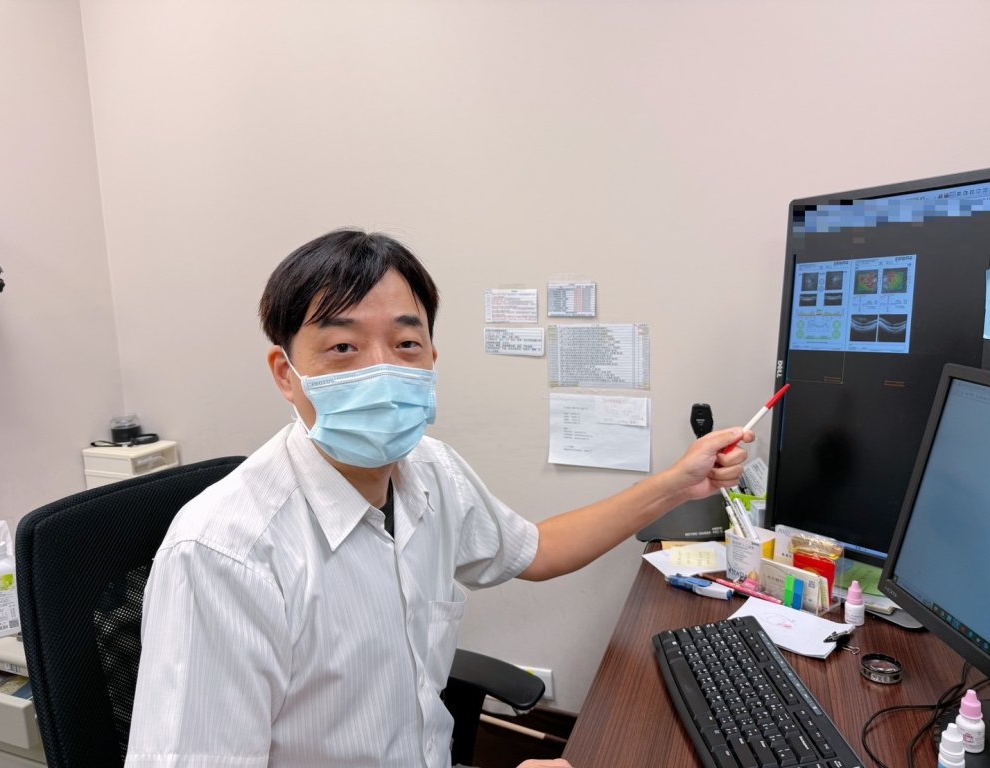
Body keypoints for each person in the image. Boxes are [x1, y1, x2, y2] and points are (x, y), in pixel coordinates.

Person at [125, 228, 752, 768]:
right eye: (342, 347)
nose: (381, 370)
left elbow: (538, 550)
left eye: (405, 344)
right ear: (286, 374)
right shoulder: (225, 555)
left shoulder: (430, 470)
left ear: (431, 358)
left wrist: (679, 481)